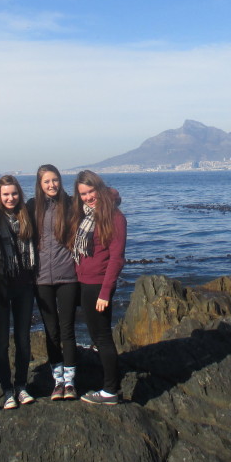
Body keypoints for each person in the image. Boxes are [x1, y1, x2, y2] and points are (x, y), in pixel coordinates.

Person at [70, 170, 127, 406]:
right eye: (83, 193)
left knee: (102, 337)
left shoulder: (114, 216)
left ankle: (110, 390)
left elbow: (116, 258)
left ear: (99, 188)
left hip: (98, 285)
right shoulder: (85, 215)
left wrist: (105, 292)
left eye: (91, 191)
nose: (88, 197)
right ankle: (108, 383)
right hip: (84, 282)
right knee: (96, 335)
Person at [28, 164, 81, 399]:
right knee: (51, 331)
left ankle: (70, 382)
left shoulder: (70, 204)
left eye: (55, 180)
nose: (52, 185)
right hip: (40, 279)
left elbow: (100, 199)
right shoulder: (32, 207)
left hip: (67, 275)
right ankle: (57, 380)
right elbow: (3, 214)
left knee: (67, 329)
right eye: (47, 181)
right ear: (40, 185)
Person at [0, 175, 38, 410]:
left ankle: (21, 385)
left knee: (22, 339)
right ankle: (6, 389)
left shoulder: (26, 214)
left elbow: (62, 203)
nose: (10, 198)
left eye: (14, 193)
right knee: (0, 342)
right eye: (6, 194)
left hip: (24, 285)